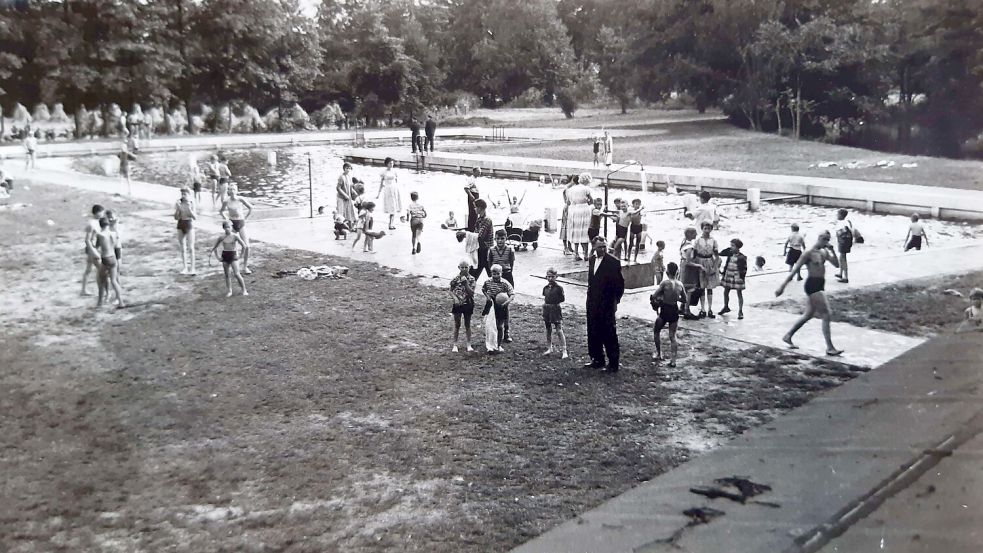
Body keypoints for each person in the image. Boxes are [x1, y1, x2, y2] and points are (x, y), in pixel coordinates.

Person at [775, 230, 844, 356]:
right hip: (812, 285)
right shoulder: (808, 253)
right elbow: (795, 270)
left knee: (808, 315)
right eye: (824, 239)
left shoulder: (824, 252)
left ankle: (788, 335)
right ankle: (830, 347)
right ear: (819, 238)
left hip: (820, 284)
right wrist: (782, 286)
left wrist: (833, 251)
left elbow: (836, 265)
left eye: (828, 239)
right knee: (827, 313)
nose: (826, 241)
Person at [584, 235, 625, 372]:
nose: (602, 249)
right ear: (593, 247)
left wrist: (615, 301)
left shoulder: (613, 262)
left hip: (606, 304)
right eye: (599, 247)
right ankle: (597, 358)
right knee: (593, 330)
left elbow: (619, 285)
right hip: (592, 302)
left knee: (609, 332)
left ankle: (613, 363)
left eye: (604, 246)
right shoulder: (592, 260)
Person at [651, 262, 684, 366]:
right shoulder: (680, 284)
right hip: (674, 309)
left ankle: (659, 354)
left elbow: (655, 295)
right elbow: (685, 299)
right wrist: (676, 297)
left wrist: (660, 299)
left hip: (665, 309)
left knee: (656, 331)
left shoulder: (665, 283)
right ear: (677, 272)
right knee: (672, 336)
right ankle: (673, 360)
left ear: (667, 272)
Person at [219, 186, 254, 274]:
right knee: (232, 245)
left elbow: (250, 208)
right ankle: (235, 264)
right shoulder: (226, 201)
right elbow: (221, 211)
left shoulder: (240, 199)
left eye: (233, 189)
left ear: (237, 190)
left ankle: (245, 266)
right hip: (232, 223)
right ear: (228, 191)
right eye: (230, 189)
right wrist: (226, 218)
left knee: (246, 246)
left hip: (241, 222)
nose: (232, 191)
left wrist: (245, 218)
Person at [91, 217, 124, 308]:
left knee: (101, 281)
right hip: (113, 258)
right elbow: (115, 245)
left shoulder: (100, 235)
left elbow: (96, 246)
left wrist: (91, 238)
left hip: (105, 259)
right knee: (114, 280)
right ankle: (121, 301)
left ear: (100, 225)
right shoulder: (113, 234)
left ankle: (99, 303)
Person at [210, 220, 249, 297]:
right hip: (225, 255)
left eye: (229, 227)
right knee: (227, 275)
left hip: (233, 255)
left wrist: (240, 256)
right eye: (226, 227)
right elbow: (214, 247)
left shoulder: (235, 236)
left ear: (231, 227)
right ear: (224, 228)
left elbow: (244, 246)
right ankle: (229, 291)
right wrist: (218, 257)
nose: (227, 229)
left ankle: (244, 290)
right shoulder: (221, 237)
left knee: (237, 274)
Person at [482, 264, 515, 351]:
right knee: (491, 325)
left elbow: (512, 294)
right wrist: (488, 297)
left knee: (499, 326)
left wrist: (506, 302)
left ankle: (498, 345)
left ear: (501, 273)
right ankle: (490, 344)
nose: (496, 276)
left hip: (501, 306)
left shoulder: (505, 283)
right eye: (494, 273)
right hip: (491, 305)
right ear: (491, 273)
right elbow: (483, 289)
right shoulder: (488, 282)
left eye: (498, 273)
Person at [693, 221, 720, 318]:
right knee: (701, 286)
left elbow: (717, 255)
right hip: (700, 262)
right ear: (702, 229)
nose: (707, 230)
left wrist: (714, 267)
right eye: (705, 228)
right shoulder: (698, 240)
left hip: (709, 262)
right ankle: (702, 309)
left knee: (709, 287)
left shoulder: (713, 240)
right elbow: (694, 253)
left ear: (711, 229)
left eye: (709, 229)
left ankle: (710, 309)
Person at [565, 174, 594, 261]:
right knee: (584, 232)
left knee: (575, 231)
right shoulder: (587, 189)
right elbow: (591, 201)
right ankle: (585, 254)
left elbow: (568, 202)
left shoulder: (570, 190)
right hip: (584, 209)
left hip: (573, 210)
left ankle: (576, 253)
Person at [449, 260, 476, 352]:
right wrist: (455, 298)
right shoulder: (455, 278)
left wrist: (466, 284)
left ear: (469, 267)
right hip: (457, 304)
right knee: (457, 324)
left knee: (467, 324)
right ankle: (455, 344)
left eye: (466, 267)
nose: (464, 269)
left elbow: (472, 293)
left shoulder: (472, 279)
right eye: (462, 267)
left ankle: (469, 344)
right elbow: (450, 290)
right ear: (459, 268)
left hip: (468, 303)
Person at [542, 268, 568, 358]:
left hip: (555, 308)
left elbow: (562, 299)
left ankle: (564, 350)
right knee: (548, 329)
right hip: (547, 308)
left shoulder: (559, 288)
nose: (550, 278)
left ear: (556, 277)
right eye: (548, 276)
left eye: (552, 277)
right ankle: (549, 347)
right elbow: (545, 297)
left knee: (558, 329)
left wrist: (554, 304)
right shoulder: (545, 288)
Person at [718, 238, 747, 319]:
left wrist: (742, 277)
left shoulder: (742, 257)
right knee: (726, 291)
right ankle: (726, 306)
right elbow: (721, 253)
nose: (731, 247)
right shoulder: (729, 253)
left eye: (733, 246)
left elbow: (744, 268)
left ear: (738, 247)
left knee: (739, 293)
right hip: (728, 274)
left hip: (737, 276)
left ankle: (740, 311)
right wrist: (728, 249)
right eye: (731, 245)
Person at [81, 204, 106, 296]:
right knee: (101, 270)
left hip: (95, 248)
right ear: (98, 212)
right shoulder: (91, 224)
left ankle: (83, 290)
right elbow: (87, 240)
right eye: (102, 212)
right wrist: (94, 251)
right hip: (92, 249)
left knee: (89, 269)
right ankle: (102, 290)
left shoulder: (97, 222)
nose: (103, 214)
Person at [174, 187, 197, 275]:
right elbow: (176, 217)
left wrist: (189, 210)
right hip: (180, 223)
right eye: (182, 194)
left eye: (185, 194)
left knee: (191, 247)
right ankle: (185, 268)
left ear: (189, 194)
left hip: (189, 223)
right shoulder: (179, 202)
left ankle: (193, 268)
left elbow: (195, 217)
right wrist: (178, 209)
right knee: (182, 247)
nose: (183, 196)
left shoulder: (191, 202)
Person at [679, 227, 701, 320]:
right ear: (690, 235)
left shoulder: (684, 242)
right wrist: (699, 266)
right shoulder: (689, 247)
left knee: (685, 289)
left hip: (683, 266)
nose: (696, 235)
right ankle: (687, 310)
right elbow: (689, 262)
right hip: (688, 270)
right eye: (695, 233)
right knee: (689, 291)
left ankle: (682, 307)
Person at [470, 199, 494, 279]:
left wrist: (465, 234)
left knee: (491, 273)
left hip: (486, 250)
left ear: (480, 208)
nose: (474, 209)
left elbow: (480, 236)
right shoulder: (479, 219)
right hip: (480, 249)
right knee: (475, 272)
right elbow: (476, 235)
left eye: (475, 207)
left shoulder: (487, 220)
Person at [377, 157, 402, 230]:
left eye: (392, 163)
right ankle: (390, 223)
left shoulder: (395, 171)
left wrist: (398, 190)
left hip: (394, 189)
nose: (392, 165)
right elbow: (381, 183)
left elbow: (396, 181)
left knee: (394, 207)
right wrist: (378, 193)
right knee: (391, 207)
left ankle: (391, 223)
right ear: (387, 164)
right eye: (390, 163)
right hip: (388, 190)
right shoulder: (383, 172)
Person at [834, 208, 853, 283]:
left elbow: (843, 231)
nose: (836, 216)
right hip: (845, 242)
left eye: (837, 214)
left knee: (843, 258)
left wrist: (839, 233)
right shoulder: (846, 222)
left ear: (841, 215)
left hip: (843, 242)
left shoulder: (842, 223)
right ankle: (841, 273)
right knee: (841, 257)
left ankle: (845, 277)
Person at [465, 167, 481, 231]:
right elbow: (466, 188)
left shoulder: (476, 179)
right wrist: (471, 196)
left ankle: (475, 227)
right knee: (472, 212)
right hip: (473, 196)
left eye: (480, 172)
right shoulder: (471, 179)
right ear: (474, 172)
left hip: (476, 195)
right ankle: (470, 228)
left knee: (476, 212)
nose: (480, 173)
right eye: (478, 172)